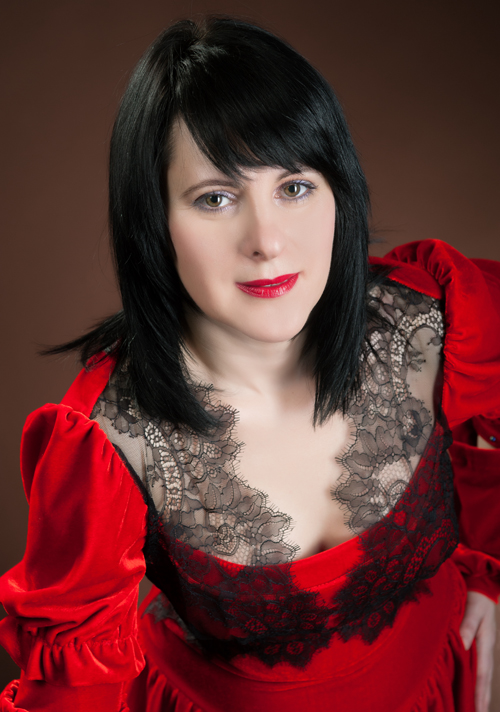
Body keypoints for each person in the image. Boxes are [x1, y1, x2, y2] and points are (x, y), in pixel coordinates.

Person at [0, 15, 499, 712]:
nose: (266, 240)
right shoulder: (106, 440)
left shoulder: (440, 322)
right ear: (153, 220)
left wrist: (489, 579)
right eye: (216, 198)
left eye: (294, 187)